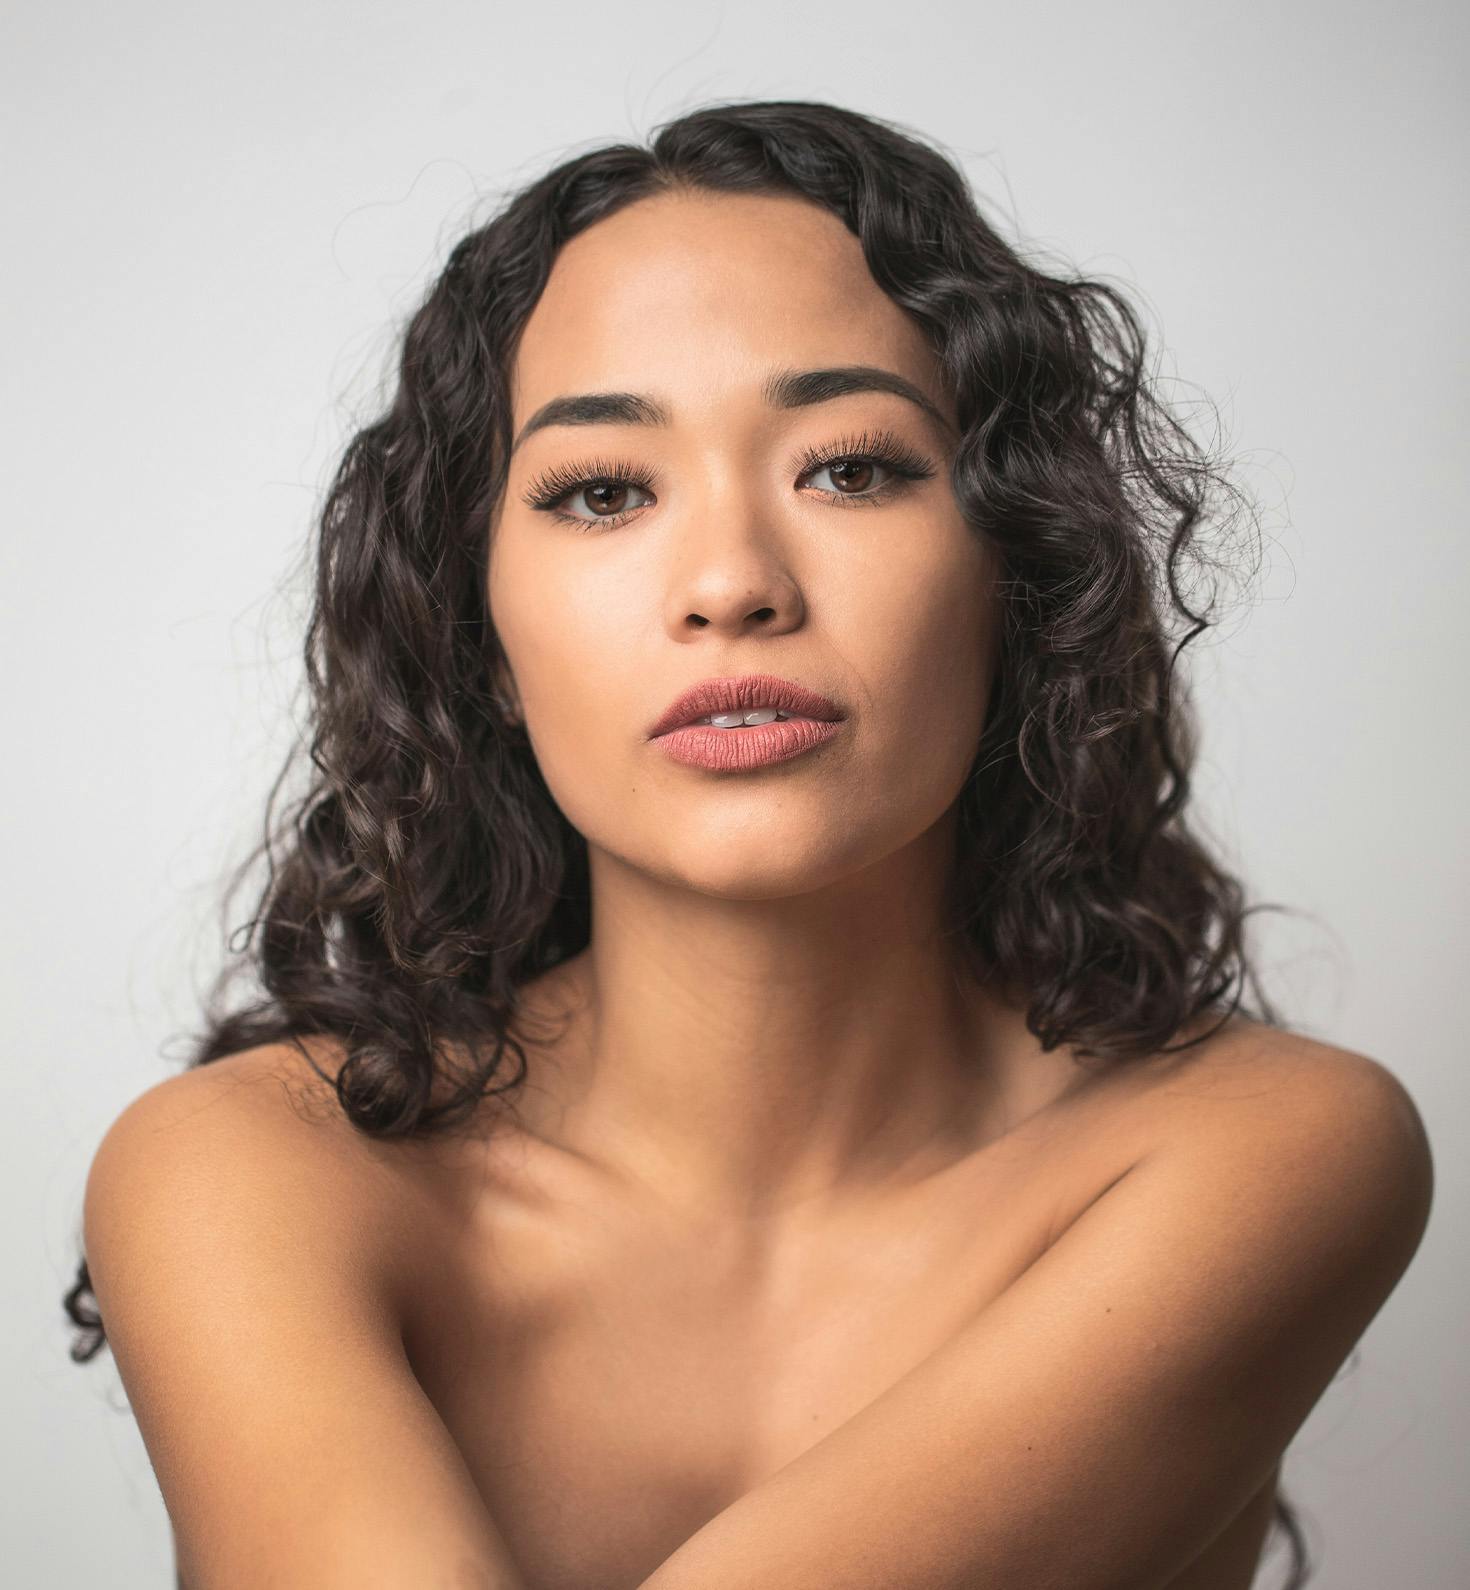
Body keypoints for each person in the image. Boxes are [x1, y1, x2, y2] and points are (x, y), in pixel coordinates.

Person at [66, 99, 1432, 1590]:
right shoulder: (258, 1170)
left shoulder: (1270, 1152)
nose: (730, 583)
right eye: (603, 491)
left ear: (1018, 572)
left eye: (849, 468)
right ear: (481, 637)